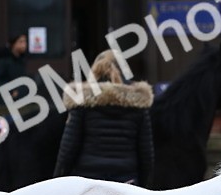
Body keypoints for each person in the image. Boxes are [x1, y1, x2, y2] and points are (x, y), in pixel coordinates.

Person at [53, 50, 154, 187]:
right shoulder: (138, 105)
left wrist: (58, 179)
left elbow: (68, 148)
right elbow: (146, 154)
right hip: (126, 180)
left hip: (88, 180)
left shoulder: (82, 102)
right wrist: (145, 186)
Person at [0, 33, 67, 192]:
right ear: (13, 44)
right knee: (7, 133)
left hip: (21, 103)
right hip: (7, 104)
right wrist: (10, 91)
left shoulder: (20, 60)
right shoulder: (4, 61)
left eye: (25, 41)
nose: (24, 45)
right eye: (21, 41)